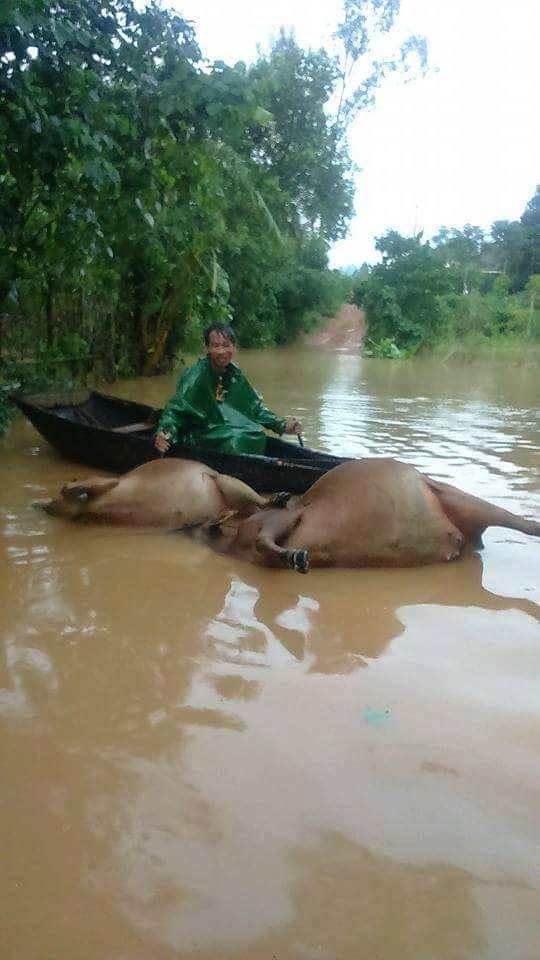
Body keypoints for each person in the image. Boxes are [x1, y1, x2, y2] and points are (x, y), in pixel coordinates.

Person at [154, 323, 303, 455]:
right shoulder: (197, 375)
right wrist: (165, 432)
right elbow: (175, 409)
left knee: (256, 433)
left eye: (226, 345)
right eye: (215, 346)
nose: (221, 351)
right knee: (236, 437)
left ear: (234, 347)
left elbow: (255, 409)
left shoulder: (234, 374)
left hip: (218, 429)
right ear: (207, 348)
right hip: (197, 433)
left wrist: (283, 426)